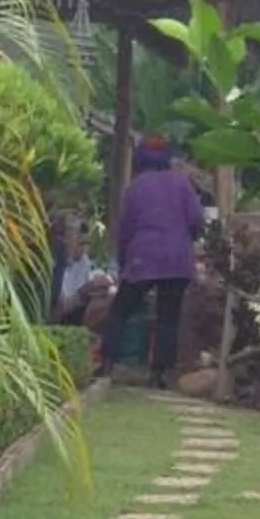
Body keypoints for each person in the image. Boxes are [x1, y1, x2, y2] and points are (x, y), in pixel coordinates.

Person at [96, 132, 205, 387]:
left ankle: (107, 364)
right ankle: (159, 375)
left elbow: (125, 230)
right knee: (168, 317)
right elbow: (197, 220)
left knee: (121, 310)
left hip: (143, 258)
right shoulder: (182, 184)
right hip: (177, 260)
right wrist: (185, 238)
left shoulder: (136, 186)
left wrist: (124, 263)